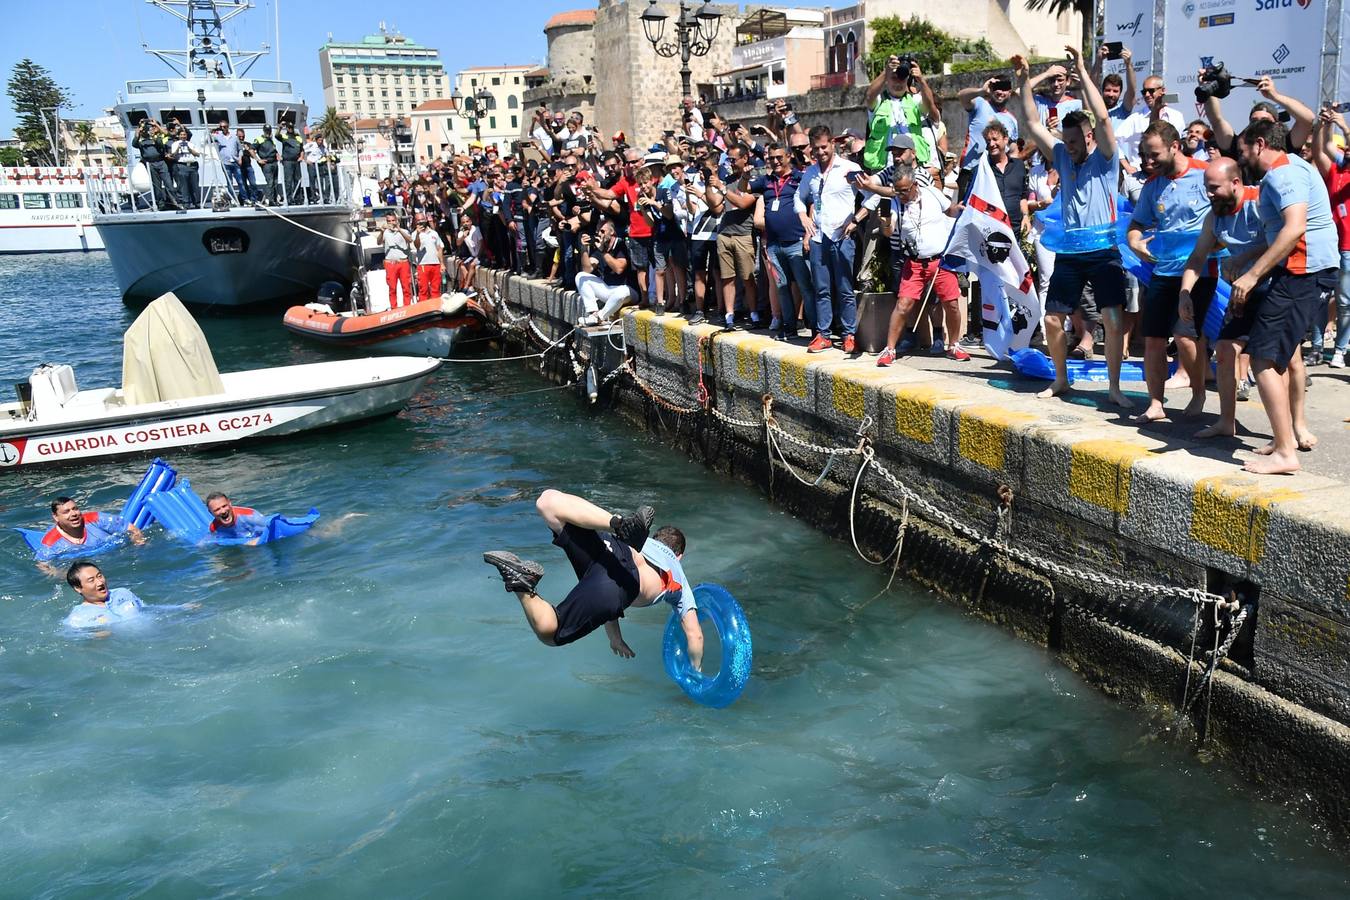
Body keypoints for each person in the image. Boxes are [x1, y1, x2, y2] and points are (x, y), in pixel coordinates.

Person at [1016, 48, 1130, 406]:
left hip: (1103, 250)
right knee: (1052, 319)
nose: (1071, 149)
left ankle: (1112, 387)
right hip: (1071, 250)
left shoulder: (1106, 159)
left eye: (1077, 142)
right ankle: (1061, 380)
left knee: (1112, 318)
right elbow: (1033, 124)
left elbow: (1104, 118)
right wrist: (1024, 81)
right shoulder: (1063, 155)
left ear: (1090, 138)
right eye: (1067, 143)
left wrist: (1082, 68)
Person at [482, 491, 704, 670]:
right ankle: (522, 583)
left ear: (656, 538)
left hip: (610, 546)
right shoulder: (679, 577)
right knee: (551, 633)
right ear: (679, 556)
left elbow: (610, 607)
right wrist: (695, 672)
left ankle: (616, 522)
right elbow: (695, 635)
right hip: (623, 580)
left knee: (548, 502)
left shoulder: (649, 544)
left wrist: (615, 637)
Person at [1232, 118, 1339, 474]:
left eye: (1243, 148)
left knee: (1261, 359)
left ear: (1259, 144)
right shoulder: (1290, 167)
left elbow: (1294, 229)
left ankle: (1285, 454)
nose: (1240, 155)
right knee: (1275, 358)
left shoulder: (1282, 174)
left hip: (1302, 273)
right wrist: (1247, 255)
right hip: (1303, 271)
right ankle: (1284, 440)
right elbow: (1279, 230)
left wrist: (1251, 274)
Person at [1126, 121, 1215, 423]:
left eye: (1154, 155)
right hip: (1163, 270)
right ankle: (1155, 402)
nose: (1148, 162)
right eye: (1144, 155)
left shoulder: (1206, 174)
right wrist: (1136, 243)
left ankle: (1198, 391)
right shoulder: (1152, 186)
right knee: (1153, 338)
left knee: (1186, 334)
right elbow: (1135, 226)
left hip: (1200, 270)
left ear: (1175, 146)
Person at [1179, 158, 1266, 440]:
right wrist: (1185, 293)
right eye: (1207, 187)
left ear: (1235, 183)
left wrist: (1244, 259)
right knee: (1226, 350)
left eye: (1214, 187)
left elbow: (1280, 240)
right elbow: (1197, 257)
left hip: (1276, 287)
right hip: (1242, 292)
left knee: (1285, 361)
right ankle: (1226, 422)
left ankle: (1296, 427)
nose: (1209, 194)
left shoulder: (1259, 203)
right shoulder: (1214, 216)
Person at [876, 164, 965, 365]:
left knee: (951, 303)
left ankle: (954, 345)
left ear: (915, 184)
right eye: (897, 191)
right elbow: (889, 232)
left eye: (905, 190)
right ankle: (889, 349)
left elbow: (949, 209)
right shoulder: (895, 203)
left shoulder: (932, 193)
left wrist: (957, 210)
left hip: (940, 261)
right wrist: (886, 223)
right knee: (903, 304)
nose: (901, 195)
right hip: (914, 263)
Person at [797, 124, 867, 354]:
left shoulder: (849, 168)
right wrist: (803, 218)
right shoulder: (811, 173)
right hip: (819, 237)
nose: (820, 152)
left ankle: (849, 334)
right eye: (815, 149)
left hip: (842, 235)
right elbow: (799, 197)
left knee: (845, 287)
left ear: (833, 144)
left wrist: (856, 219)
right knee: (822, 289)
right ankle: (824, 334)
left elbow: (872, 195)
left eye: (824, 147)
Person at [753, 141, 811, 341]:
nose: (775, 162)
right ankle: (789, 327)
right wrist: (743, 175)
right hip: (774, 245)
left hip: (796, 241)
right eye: (771, 158)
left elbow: (810, 204)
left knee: (805, 286)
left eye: (779, 157)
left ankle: (817, 330)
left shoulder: (800, 178)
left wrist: (807, 235)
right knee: (782, 287)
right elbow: (744, 189)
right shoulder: (766, 181)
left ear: (788, 157)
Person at [1310, 107, 1350, 369]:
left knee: (1345, 300)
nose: (1346, 151)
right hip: (1328, 244)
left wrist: (1345, 128)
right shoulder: (1336, 171)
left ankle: (1340, 349)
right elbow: (1321, 148)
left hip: (1348, 247)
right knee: (1319, 299)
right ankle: (1315, 347)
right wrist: (1325, 123)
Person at [707, 142, 760, 330]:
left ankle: (754, 314)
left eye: (733, 159)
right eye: (728, 159)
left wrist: (722, 188)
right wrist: (709, 183)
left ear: (745, 158)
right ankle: (729, 315)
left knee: (747, 277)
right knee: (727, 277)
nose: (730, 163)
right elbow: (716, 205)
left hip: (743, 234)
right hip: (725, 234)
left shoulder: (754, 178)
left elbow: (743, 202)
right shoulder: (728, 180)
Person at [62, 561, 198, 632]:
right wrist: (95, 637)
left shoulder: (122, 593)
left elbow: (147, 608)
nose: (100, 582)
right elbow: (74, 641)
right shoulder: (78, 617)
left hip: (162, 632)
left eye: (100, 576)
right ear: (78, 588)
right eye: (91, 580)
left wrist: (180, 608)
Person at [864, 54, 938, 172]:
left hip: (912, 166)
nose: (898, 83)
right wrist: (886, 71)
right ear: (887, 80)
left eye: (902, 78)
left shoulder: (915, 100)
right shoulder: (879, 101)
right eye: (894, 78)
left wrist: (921, 80)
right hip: (884, 167)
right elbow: (869, 96)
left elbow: (929, 105)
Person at [956, 75, 1019, 198]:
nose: (1000, 92)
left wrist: (1013, 173)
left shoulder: (1012, 120)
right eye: (996, 88)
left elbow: (1013, 151)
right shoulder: (980, 104)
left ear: (1010, 92)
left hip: (997, 175)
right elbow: (961, 96)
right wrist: (981, 91)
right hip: (971, 172)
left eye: (1004, 88)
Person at [40, 497, 144, 556]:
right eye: (66, 512)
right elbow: (43, 565)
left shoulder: (97, 519)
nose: (74, 514)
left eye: (75, 508)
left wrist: (138, 550)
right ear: (56, 517)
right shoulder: (50, 542)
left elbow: (133, 529)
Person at [577, 220, 635, 326]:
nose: (599, 234)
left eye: (602, 231)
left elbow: (619, 269)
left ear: (612, 232)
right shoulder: (600, 246)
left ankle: (598, 317)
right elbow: (587, 269)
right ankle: (593, 313)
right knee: (580, 276)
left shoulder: (621, 244)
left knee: (621, 292)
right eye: (598, 231)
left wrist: (603, 251)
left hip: (628, 289)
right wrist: (584, 249)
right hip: (609, 290)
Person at [132, 119, 179, 211]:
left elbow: (160, 144)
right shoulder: (141, 141)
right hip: (150, 163)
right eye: (148, 129)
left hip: (161, 162)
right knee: (156, 185)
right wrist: (138, 130)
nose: (149, 130)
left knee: (168, 183)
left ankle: (175, 202)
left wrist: (154, 135)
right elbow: (134, 144)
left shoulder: (157, 137)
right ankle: (160, 204)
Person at [377, 212, 413, 308]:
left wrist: (399, 229)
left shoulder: (404, 231)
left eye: (393, 220)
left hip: (403, 262)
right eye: (389, 221)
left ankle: (407, 306)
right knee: (392, 288)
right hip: (390, 263)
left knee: (406, 287)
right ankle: (394, 307)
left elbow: (409, 240)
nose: (391, 223)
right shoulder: (385, 232)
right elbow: (378, 242)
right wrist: (381, 231)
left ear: (397, 221)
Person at [205, 492, 270, 541]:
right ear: (211, 512)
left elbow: (270, 528)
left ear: (230, 503)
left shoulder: (250, 516)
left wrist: (258, 539)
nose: (223, 511)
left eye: (224, 506)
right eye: (217, 509)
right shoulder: (214, 528)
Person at [212, 119, 247, 203]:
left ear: (228, 127)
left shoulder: (234, 137)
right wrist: (214, 129)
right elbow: (205, 139)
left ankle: (245, 199)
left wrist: (240, 158)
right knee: (229, 182)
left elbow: (240, 149)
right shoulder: (217, 136)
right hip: (225, 163)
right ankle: (233, 199)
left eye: (224, 127)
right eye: (221, 127)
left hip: (235, 162)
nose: (222, 128)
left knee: (240, 181)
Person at [168, 125, 200, 209]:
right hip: (182, 165)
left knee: (194, 185)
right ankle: (186, 203)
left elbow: (197, 154)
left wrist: (190, 150)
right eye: (181, 135)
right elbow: (173, 155)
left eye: (184, 135)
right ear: (178, 136)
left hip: (192, 166)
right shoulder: (175, 144)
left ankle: (197, 202)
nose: (183, 136)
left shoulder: (191, 144)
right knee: (183, 186)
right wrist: (177, 149)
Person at [413, 216, 445, 300]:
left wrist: (442, 264)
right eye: (418, 220)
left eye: (422, 219)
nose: (420, 222)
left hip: (436, 264)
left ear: (425, 220)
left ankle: (436, 307)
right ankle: (424, 309)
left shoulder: (434, 233)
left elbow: (439, 248)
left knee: (436, 288)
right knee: (424, 289)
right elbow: (417, 246)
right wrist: (417, 234)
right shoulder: (414, 234)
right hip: (423, 264)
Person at [253, 125, 281, 204]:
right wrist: (258, 160)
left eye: (269, 130)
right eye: (267, 130)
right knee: (270, 182)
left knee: (275, 182)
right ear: (264, 131)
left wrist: (278, 155)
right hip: (267, 164)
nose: (268, 132)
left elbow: (274, 150)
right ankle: (270, 199)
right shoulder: (259, 139)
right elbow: (251, 149)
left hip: (274, 163)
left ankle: (275, 199)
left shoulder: (270, 140)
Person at [278, 122, 304, 204]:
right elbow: (276, 135)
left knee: (298, 180)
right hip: (288, 161)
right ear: (287, 128)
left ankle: (297, 198)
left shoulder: (298, 137)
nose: (290, 129)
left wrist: (301, 156)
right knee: (288, 181)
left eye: (291, 127)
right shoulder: (284, 136)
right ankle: (288, 198)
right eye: (289, 128)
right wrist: (280, 128)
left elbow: (302, 149)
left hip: (296, 161)